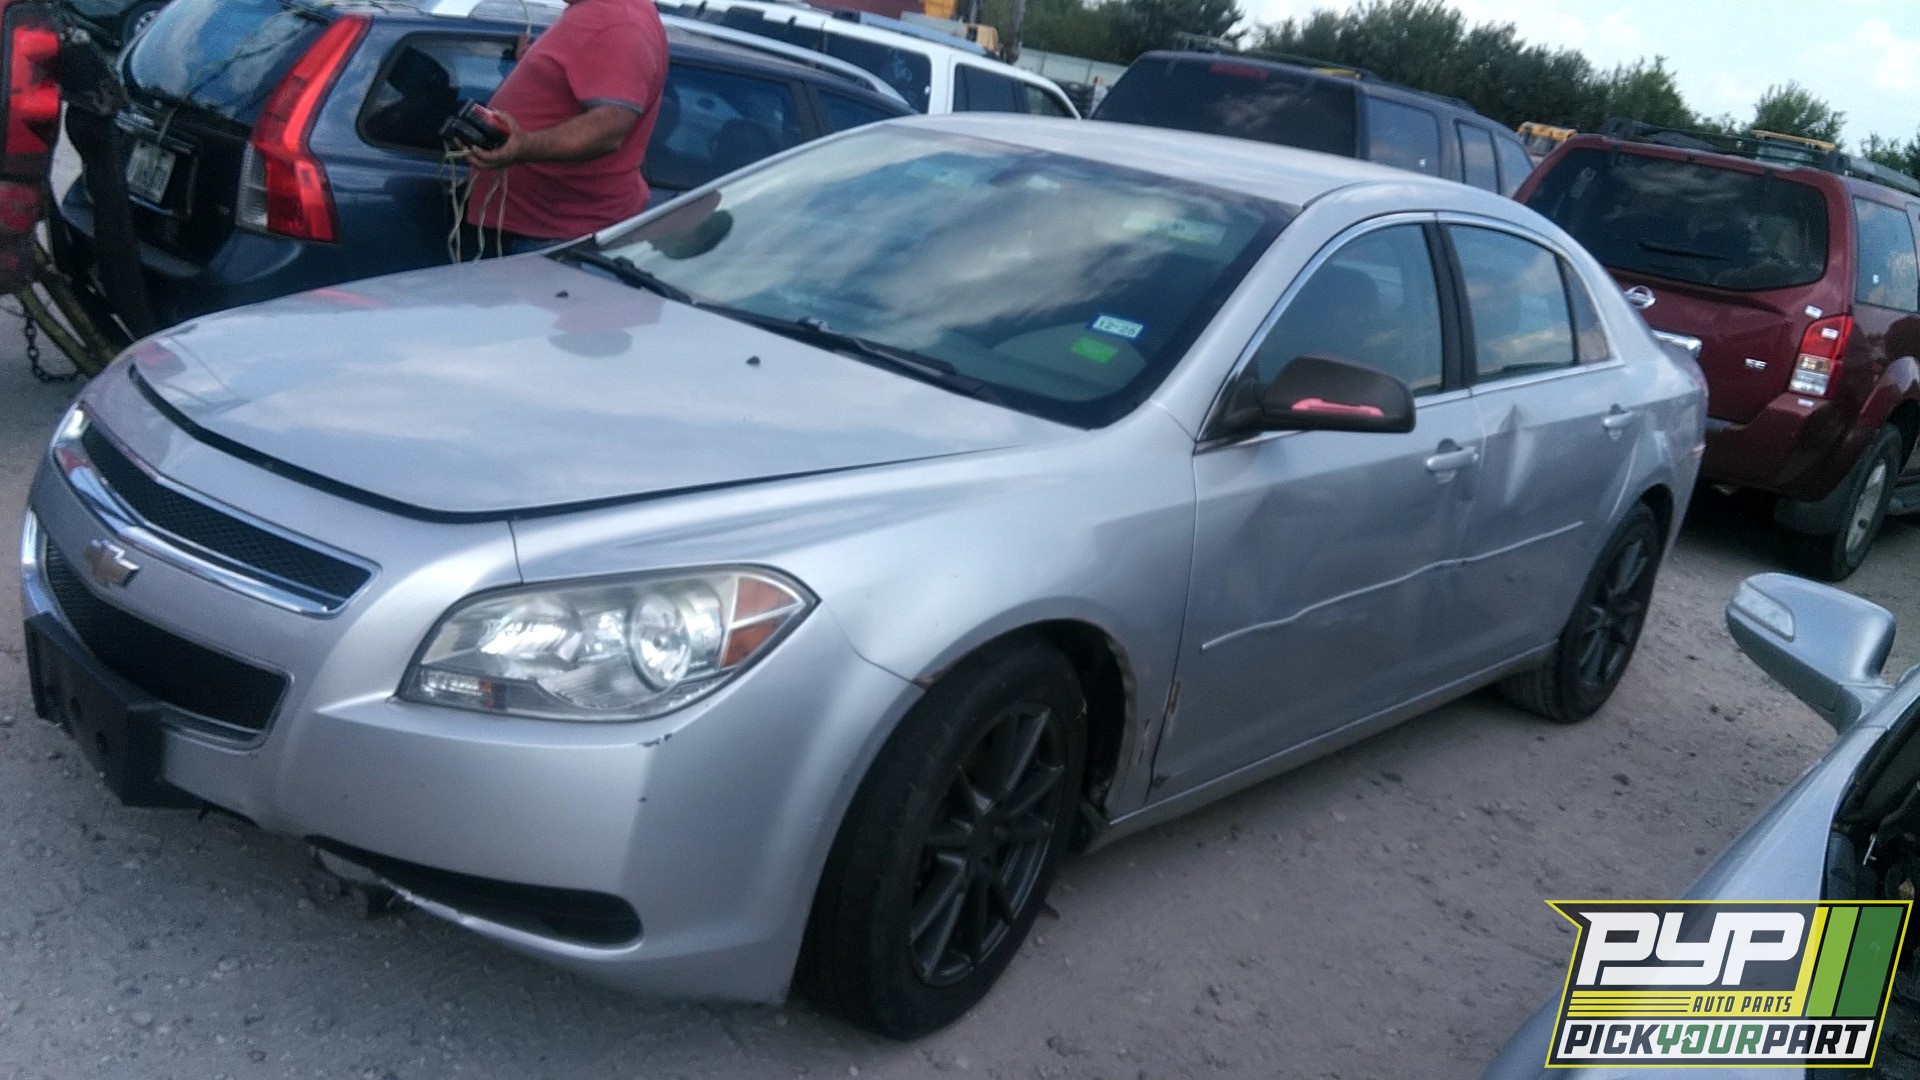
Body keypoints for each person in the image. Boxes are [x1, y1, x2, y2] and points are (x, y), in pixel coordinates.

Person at [463, 0, 669, 254]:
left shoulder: (621, 22)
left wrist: (522, 146)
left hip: (558, 236)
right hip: (542, 228)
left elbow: (608, 130)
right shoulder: (602, 14)